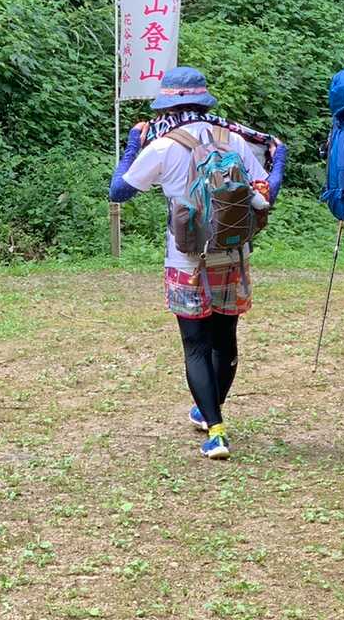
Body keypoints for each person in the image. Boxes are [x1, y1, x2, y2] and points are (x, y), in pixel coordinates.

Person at [109, 67, 285, 460]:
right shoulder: (233, 140)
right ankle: (209, 411)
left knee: (196, 347)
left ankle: (216, 431)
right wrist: (280, 160)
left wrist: (133, 145)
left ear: (166, 108)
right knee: (225, 341)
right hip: (233, 256)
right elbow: (266, 193)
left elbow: (119, 190)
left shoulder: (163, 146)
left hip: (186, 260)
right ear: (204, 103)